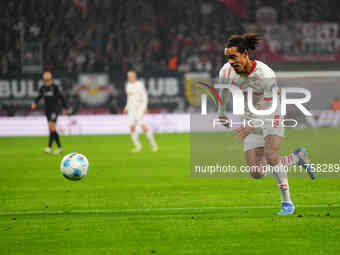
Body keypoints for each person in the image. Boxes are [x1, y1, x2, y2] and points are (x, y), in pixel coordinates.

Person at [217, 33, 315, 215]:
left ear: (245, 54)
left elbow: (269, 105)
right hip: (249, 117)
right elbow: (224, 91)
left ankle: (287, 203)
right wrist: (221, 112)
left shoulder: (265, 74)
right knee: (256, 172)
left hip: (272, 114)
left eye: (234, 57)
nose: (230, 62)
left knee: (271, 157)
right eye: (227, 58)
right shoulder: (226, 71)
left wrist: (252, 124)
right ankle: (297, 157)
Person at [31, 71, 68, 154]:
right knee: (52, 128)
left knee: (51, 126)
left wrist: (65, 108)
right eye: (45, 76)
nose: (46, 77)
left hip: (55, 109)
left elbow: (61, 97)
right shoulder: (43, 88)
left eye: (48, 76)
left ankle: (50, 147)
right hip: (47, 110)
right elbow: (39, 96)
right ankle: (59, 147)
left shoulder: (55, 87)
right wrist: (35, 102)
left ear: (50, 77)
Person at [123, 70, 158, 152]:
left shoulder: (139, 85)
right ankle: (138, 146)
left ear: (135, 76)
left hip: (139, 109)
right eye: (129, 76)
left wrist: (145, 107)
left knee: (143, 126)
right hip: (131, 110)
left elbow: (145, 96)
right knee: (131, 127)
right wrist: (126, 107)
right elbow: (129, 98)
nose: (130, 78)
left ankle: (154, 144)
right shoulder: (127, 85)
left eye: (131, 76)